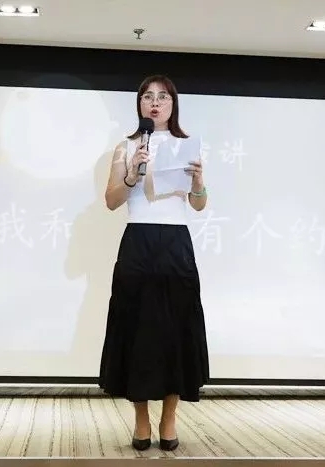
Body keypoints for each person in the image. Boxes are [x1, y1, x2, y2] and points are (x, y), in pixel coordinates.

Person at [98, 75, 210, 451]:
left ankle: (170, 418)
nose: (155, 102)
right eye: (148, 97)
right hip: (138, 242)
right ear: (140, 105)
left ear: (173, 104)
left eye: (163, 97)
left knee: (177, 331)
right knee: (138, 331)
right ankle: (142, 419)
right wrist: (132, 174)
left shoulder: (187, 145)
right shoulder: (126, 146)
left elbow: (198, 204)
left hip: (176, 243)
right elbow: (111, 201)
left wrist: (199, 182)